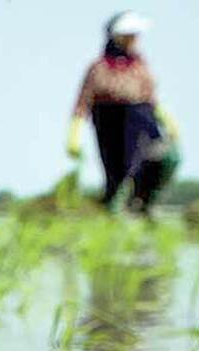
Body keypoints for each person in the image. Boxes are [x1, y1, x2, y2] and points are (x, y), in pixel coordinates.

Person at [67, 11, 180, 214]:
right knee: (119, 180)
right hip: (112, 128)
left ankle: (143, 204)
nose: (134, 40)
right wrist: (74, 134)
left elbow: (151, 98)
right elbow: (83, 103)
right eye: (129, 35)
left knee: (166, 158)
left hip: (144, 125)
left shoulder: (140, 66)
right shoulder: (99, 69)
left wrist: (168, 120)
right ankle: (114, 211)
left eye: (135, 36)